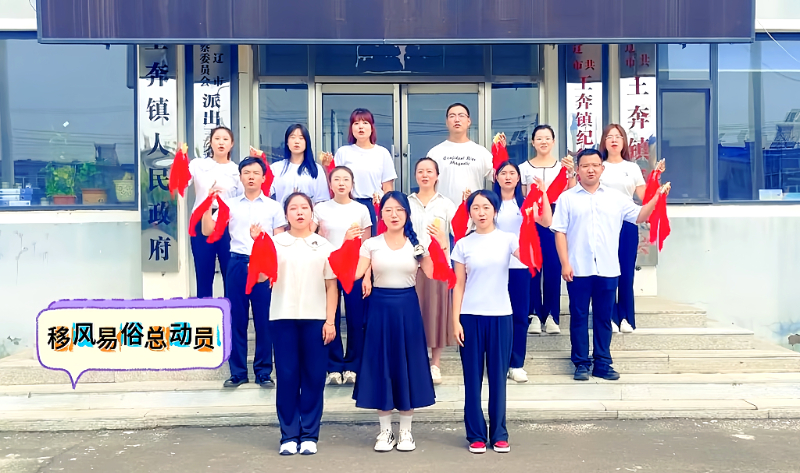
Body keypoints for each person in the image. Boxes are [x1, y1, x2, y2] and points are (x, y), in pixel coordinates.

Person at [550, 149, 669, 382]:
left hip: (608, 268)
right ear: (578, 169)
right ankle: (581, 363)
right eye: (585, 166)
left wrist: (656, 197)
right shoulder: (567, 198)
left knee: (604, 317)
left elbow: (640, 216)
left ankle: (602, 362)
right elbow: (560, 232)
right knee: (578, 317)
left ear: (602, 169)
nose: (591, 170)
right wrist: (565, 263)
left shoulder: (616, 198)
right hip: (578, 268)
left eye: (595, 165)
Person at [352, 191, 445, 453]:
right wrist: (349, 244)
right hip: (379, 310)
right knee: (381, 366)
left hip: (407, 309)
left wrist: (440, 244)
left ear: (407, 214)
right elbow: (355, 273)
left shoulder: (417, 244)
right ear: (381, 214)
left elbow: (434, 273)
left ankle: (405, 431)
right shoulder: (371, 244)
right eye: (388, 210)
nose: (394, 215)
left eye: (399, 210)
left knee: (408, 366)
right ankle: (385, 432)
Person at [452, 189, 533, 454]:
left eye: (486, 207)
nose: (481, 212)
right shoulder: (463, 244)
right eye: (476, 208)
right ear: (470, 213)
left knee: (498, 379)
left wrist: (531, 221)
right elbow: (458, 285)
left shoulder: (508, 239)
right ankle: (475, 434)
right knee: (472, 379)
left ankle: (499, 433)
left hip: (501, 316)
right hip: (470, 317)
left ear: (495, 211)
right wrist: (455, 320)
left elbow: (530, 258)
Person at [201, 157, 286, 389]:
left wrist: (269, 264)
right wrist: (208, 204)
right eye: (246, 172)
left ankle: (263, 372)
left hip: (263, 265)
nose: (251, 177)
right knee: (236, 318)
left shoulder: (273, 206)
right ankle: (238, 373)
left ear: (263, 177)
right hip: (237, 263)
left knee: (264, 320)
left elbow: (279, 241)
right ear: (240, 177)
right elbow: (208, 230)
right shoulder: (229, 205)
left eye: (255, 173)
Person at [269, 192, 338, 456]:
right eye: (293, 208)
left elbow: (331, 287)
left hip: (315, 318)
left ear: (311, 213)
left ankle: (309, 434)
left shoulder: (324, 246)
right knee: (287, 377)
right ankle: (288, 435)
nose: (299, 212)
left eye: (304, 208)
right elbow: (261, 276)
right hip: (282, 316)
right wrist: (258, 246)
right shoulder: (275, 243)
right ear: (286, 214)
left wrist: (330, 320)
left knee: (313, 377)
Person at [598, 124, 665, 333]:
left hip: (627, 222)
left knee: (626, 272)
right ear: (604, 141)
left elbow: (644, 197)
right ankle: (609, 316)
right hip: (603, 224)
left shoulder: (632, 167)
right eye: (610, 137)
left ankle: (626, 318)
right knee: (606, 272)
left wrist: (656, 178)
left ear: (624, 141)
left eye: (618, 136)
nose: (614, 140)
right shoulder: (598, 166)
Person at [313, 166, 373, 386]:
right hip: (328, 268)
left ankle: (353, 366)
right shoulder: (320, 208)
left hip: (355, 269)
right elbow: (311, 235)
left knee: (356, 319)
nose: (341, 183)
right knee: (331, 317)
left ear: (352, 183)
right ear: (330, 184)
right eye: (336, 179)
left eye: (345, 179)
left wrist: (367, 276)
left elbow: (368, 246)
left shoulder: (361, 209)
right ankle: (334, 365)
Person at [493, 162, 552, 384]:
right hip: (494, 267)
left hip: (520, 266)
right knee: (495, 317)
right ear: (496, 178)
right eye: (503, 173)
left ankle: (516, 363)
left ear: (518, 179)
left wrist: (543, 193)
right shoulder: (490, 202)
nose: (508, 177)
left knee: (519, 316)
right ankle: (497, 363)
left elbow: (546, 221)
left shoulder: (526, 202)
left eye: (512, 173)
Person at [519, 125, 576, 335]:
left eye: (547, 138)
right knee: (533, 267)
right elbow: (522, 196)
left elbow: (571, 192)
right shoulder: (523, 168)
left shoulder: (562, 167)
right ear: (533, 142)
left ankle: (552, 315)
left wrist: (571, 172)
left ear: (553, 142)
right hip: (532, 220)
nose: (543, 142)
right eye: (539, 138)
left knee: (553, 266)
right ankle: (534, 314)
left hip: (556, 218)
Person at [408, 157, 457, 385]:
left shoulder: (446, 204)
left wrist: (444, 243)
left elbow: (459, 232)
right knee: (414, 314)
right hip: (411, 265)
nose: (425, 175)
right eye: (420, 171)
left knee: (436, 314)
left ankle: (435, 363)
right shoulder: (407, 202)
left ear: (437, 176)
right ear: (415, 175)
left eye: (429, 171)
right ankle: (416, 361)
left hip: (438, 266)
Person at [322, 108, 396, 228]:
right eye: (356, 123)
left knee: (374, 238)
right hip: (349, 204)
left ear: (372, 128)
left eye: (365, 123)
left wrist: (386, 208)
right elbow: (333, 181)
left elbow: (388, 188)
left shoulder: (382, 153)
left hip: (374, 206)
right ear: (351, 128)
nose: (361, 127)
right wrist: (327, 166)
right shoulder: (343, 152)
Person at [189, 126, 241, 298]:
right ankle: (204, 311)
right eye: (217, 138)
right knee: (203, 272)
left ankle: (229, 312)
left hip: (228, 224)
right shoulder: (198, 165)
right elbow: (180, 182)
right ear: (210, 142)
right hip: (201, 221)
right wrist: (180, 160)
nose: (221, 142)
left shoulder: (237, 170)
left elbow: (243, 197)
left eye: (225, 139)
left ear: (232, 144)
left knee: (229, 271)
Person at [427, 103, 493, 207]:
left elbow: (499, 178)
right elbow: (426, 185)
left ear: (469, 121)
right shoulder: (435, 153)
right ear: (447, 122)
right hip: (442, 211)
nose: (457, 120)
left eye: (461, 115)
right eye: (452, 116)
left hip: (472, 212)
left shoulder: (481, 152)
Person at [265, 124, 330, 205]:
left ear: (306, 143)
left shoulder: (316, 169)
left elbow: (322, 200)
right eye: (292, 137)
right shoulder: (276, 168)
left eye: (301, 138)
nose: (296, 141)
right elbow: (265, 193)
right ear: (287, 142)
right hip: (282, 213)